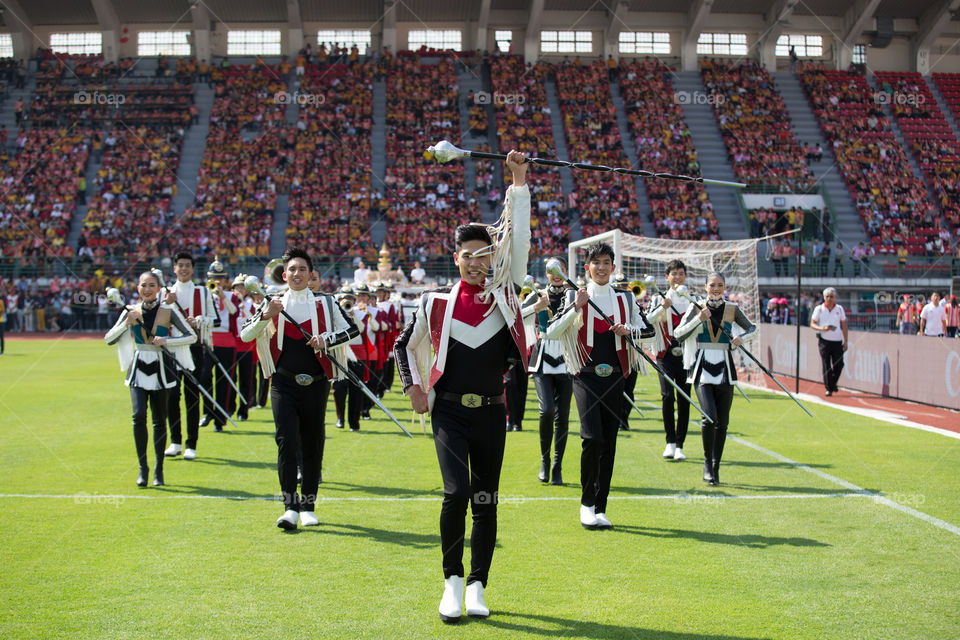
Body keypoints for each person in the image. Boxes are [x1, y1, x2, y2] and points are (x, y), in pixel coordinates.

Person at [394, 150, 530, 623]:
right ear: (456, 259)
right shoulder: (433, 303)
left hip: (492, 412)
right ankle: (451, 581)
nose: (477, 263)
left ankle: (477, 585)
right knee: (456, 494)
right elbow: (402, 347)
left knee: (486, 498)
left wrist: (517, 183)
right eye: (468, 257)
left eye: (484, 256)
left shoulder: (505, 296)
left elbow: (521, 239)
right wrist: (414, 387)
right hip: (448, 411)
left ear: (494, 258)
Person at [240, 248, 358, 530]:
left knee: (313, 442)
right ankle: (290, 506)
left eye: (302, 270)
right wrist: (266, 316)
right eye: (291, 270)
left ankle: (308, 505)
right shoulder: (273, 302)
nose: (296, 274)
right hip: (283, 382)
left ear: (311, 275)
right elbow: (246, 334)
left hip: (316, 384)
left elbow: (352, 330)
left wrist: (326, 340)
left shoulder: (327, 303)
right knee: (286, 441)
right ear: (284, 274)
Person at [545, 242, 655, 530]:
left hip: (617, 375)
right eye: (597, 263)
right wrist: (575, 309)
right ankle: (586, 503)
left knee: (609, 441)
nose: (602, 267)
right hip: (584, 374)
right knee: (591, 438)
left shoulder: (626, 299)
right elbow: (552, 332)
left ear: (613, 266)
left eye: (607, 262)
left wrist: (629, 330)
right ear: (587, 268)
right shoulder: (574, 294)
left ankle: (600, 506)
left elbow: (650, 330)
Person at [105, 271, 196, 486]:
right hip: (138, 370)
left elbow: (191, 336)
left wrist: (166, 341)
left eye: (151, 285)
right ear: (138, 288)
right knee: (138, 416)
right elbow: (109, 339)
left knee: (159, 421)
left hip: (163, 370)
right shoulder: (131, 311)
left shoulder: (168, 310)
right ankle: (142, 469)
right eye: (143, 285)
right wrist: (126, 324)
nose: (147, 289)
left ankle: (158, 469)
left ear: (158, 288)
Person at [674, 272, 756, 486]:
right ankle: (707, 464)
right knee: (709, 417)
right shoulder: (696, 306)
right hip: (701, 369)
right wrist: (699, 320)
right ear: (706, 287)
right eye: (713, 285)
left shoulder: (732, 308)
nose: (716, 288)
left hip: (726, 370)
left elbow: (752, 328)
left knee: (723, 423)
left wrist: (741, 339)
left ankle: (715, 466)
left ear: (725, 287)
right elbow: (679, 334)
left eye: (720, 285)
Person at [162, 252, 217, 460]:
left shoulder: (203, 292)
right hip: (171, 348)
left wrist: (200, 320)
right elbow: (159, 324)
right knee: (172, 397)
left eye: (187, 265)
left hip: (194, 348)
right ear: (174, 268)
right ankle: (175, 441)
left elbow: (215, 319)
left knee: (192, 396)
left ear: (192, 269)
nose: (183, 269)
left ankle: (191, 444)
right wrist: (166, 305)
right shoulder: (165, 292)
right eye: (180, 265)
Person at [525, 260, 572, 485]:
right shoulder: (538, 293)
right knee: (547, 411)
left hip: (567, 358)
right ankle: (544, 461)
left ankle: (557, 465)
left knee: (562, 416)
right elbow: (516, 314)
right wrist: (536, 306)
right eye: (553, 272)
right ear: (547, 273)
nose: (557, 275)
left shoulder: (573, 295)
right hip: (542, 358)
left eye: (561, 271)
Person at [646, 260, 693, 460]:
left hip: (686, 355)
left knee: (684, 399)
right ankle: (670, 442)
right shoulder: (659, 299)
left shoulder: (693, 300)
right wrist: (661, 309)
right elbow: (647, 320)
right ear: (667, 277)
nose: (678, 277)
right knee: (667, 396)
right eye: (674, 274)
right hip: (664, 354)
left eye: (681, 273)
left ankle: (680, 444)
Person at [201, 259, 240, 432]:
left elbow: (234, 312)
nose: (217, 282)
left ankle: (220, 418)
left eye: (220, 278)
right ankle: (208, 411)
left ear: (225, 280)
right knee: (203, 377)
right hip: (208, 338)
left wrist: (223, 295)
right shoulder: (203, 294)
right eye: (213, 278)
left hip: (226, 340)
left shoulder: (231, 296)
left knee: (224, 381)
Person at [809, 287, 848, 396]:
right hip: (824, 341)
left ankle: (833, 383)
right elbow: (812, 324)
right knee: (826, 365)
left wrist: (846, 341)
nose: (829, 299)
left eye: (831, 296)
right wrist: (822, 329)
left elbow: (844, 325)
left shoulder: (839, 309)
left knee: (839, 364)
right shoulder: (819, 309)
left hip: (837, 341)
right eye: (827, 296)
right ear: (824, 297)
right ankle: (829, 388)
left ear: (835, 297)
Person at [232, 274, 257, 420]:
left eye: (242, 287)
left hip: (246, 345)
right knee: (231, 378)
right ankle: (230, 408)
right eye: (237, 287)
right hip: (233, 344)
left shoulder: (250, 304)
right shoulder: (229, 301)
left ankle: (243, 410)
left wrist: (243, 306)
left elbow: (252, 320)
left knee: (246, 379)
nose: (240, 289)